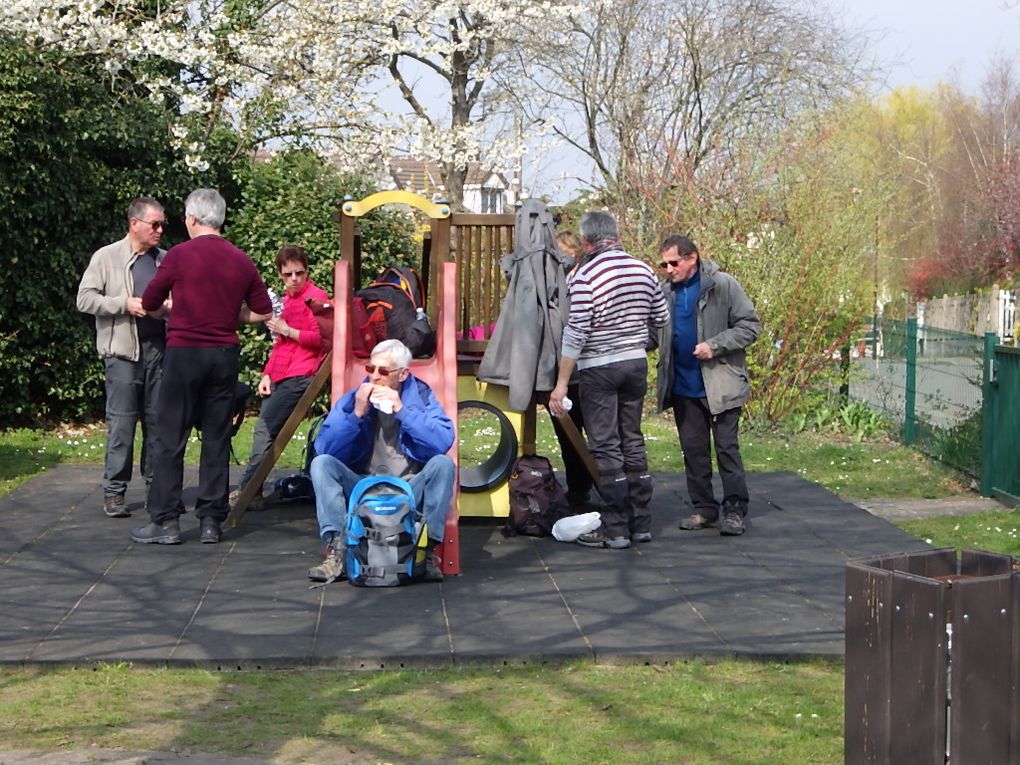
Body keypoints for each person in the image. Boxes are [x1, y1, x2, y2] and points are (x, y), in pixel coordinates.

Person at [132, 188, 273, 545]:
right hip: (223, 354)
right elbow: (263, 312)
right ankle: (211, 520)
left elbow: (149, 303)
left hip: (184, 353)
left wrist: (171, 309)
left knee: (170, 436)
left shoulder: (178, 256)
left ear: (192, 219)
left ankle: (166, 521)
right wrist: (230, 316)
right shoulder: (241, 260)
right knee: (216, 436)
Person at [549, 211, 670, 549]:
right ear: (615, 234)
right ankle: (641, 522)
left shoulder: (585, 275)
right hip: (634, 364)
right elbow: (661, 317)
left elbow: (576, 331)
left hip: (599, 368)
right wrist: (635, 341)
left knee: (605, 445)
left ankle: (616, 528)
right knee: (632, 439)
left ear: (586, 241)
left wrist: (561, 383)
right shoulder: (644, 270)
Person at [308, 339, 455, 583]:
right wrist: (356, 415)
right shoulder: (355, 398)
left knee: (443, 464)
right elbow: (325, 447)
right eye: (370, 369)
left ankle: (426, 552)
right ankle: (338, 551)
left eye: (383, 371)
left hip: (407, 486)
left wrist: (402, 410)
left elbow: (442, 440)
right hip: (363, 486)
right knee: (321, 464)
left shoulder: (421, 396)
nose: (374, 377)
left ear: (403, 374)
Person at [654, 234, 760, 536]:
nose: (668, 269)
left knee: (727, 449)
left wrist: (715, 345)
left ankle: (735, 510)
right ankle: (704, 508)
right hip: (683, 387)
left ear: (692, 258)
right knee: (694, 451)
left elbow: (750, 326)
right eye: (664, 264)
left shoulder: (722, 285)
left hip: (720, 385)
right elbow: (656, 335)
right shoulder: (664, 294)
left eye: (674, 262)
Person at [76, 197, 170, 518]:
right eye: (154, 224)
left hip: (160, 352)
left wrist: (170, 308)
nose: (160, 229)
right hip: (122, 354)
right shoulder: (106, 257)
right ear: (134, 224)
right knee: (122, 424)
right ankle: (114, 491)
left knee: (158, 423)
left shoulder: (165, 260)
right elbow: (85, 299)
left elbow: (179, 299)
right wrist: (124, 304)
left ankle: (156, 489)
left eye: (162, 224)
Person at [230, 245, 330, 509]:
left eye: (299, 273)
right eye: (288, 274)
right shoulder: (287, 300)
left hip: (301, 374)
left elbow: (323, 339)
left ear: (307, 271)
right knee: (265, 433)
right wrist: (267, 375)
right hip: (284, 373)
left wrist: (289, 329)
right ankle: (254, 491)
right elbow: (281, 345)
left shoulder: (316, 298)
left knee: (264, 429)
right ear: (280, 274)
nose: (295, 279)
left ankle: (248, 489)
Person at [550, 230, 593, 507]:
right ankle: (579, 489)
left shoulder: (580, 281)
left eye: (562, 251)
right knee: (568, 436)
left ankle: (596, 484)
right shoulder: (558, 281)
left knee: (590, 433)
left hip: (581, 372)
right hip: (564, 372)